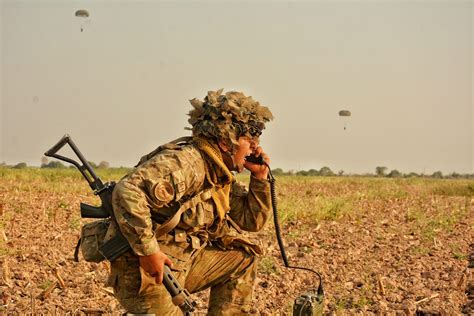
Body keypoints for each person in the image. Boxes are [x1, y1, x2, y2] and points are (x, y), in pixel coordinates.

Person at [108, 89, 274, 315]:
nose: (255, 146)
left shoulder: (217, 173)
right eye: (249, 139)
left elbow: (250, 220)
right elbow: (128, 191)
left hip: (179, 265)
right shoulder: (189, 163)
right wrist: (148, 254)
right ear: (227, 141)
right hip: (146, 273)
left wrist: (260, 178)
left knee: (242, 259)